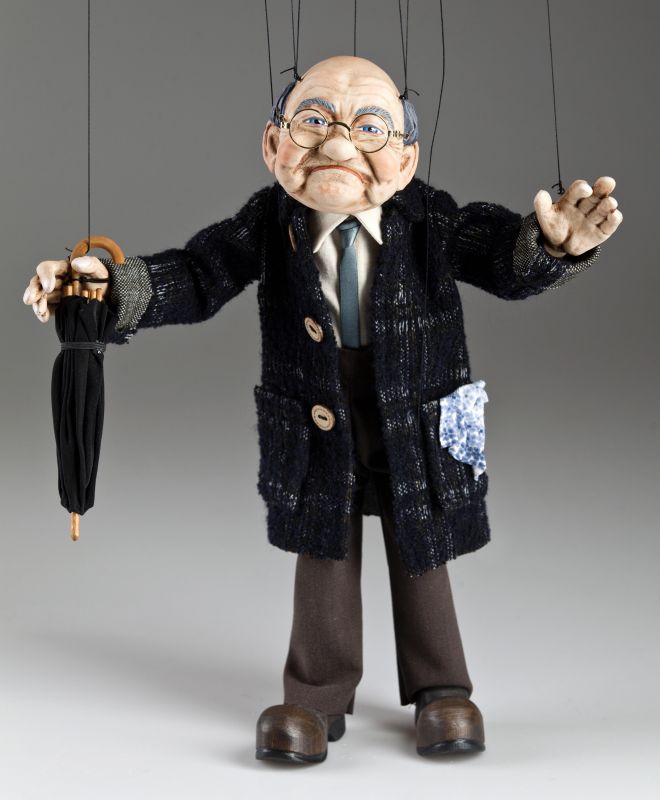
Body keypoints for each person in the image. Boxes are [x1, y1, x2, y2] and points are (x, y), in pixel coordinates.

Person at [23, 55, 622, 764]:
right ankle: (313, 696)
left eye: (369, 128)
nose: (338, 144)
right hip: (314, 406)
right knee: (323, 543)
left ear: (406, 159)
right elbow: (198, 273)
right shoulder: (270, 220)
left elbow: (500, 257)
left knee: (421, 538)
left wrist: (551, 243)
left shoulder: (429, 216)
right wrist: (108, 288)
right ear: (272, 143)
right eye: (314, 121)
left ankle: (442, 688)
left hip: (418, 408)